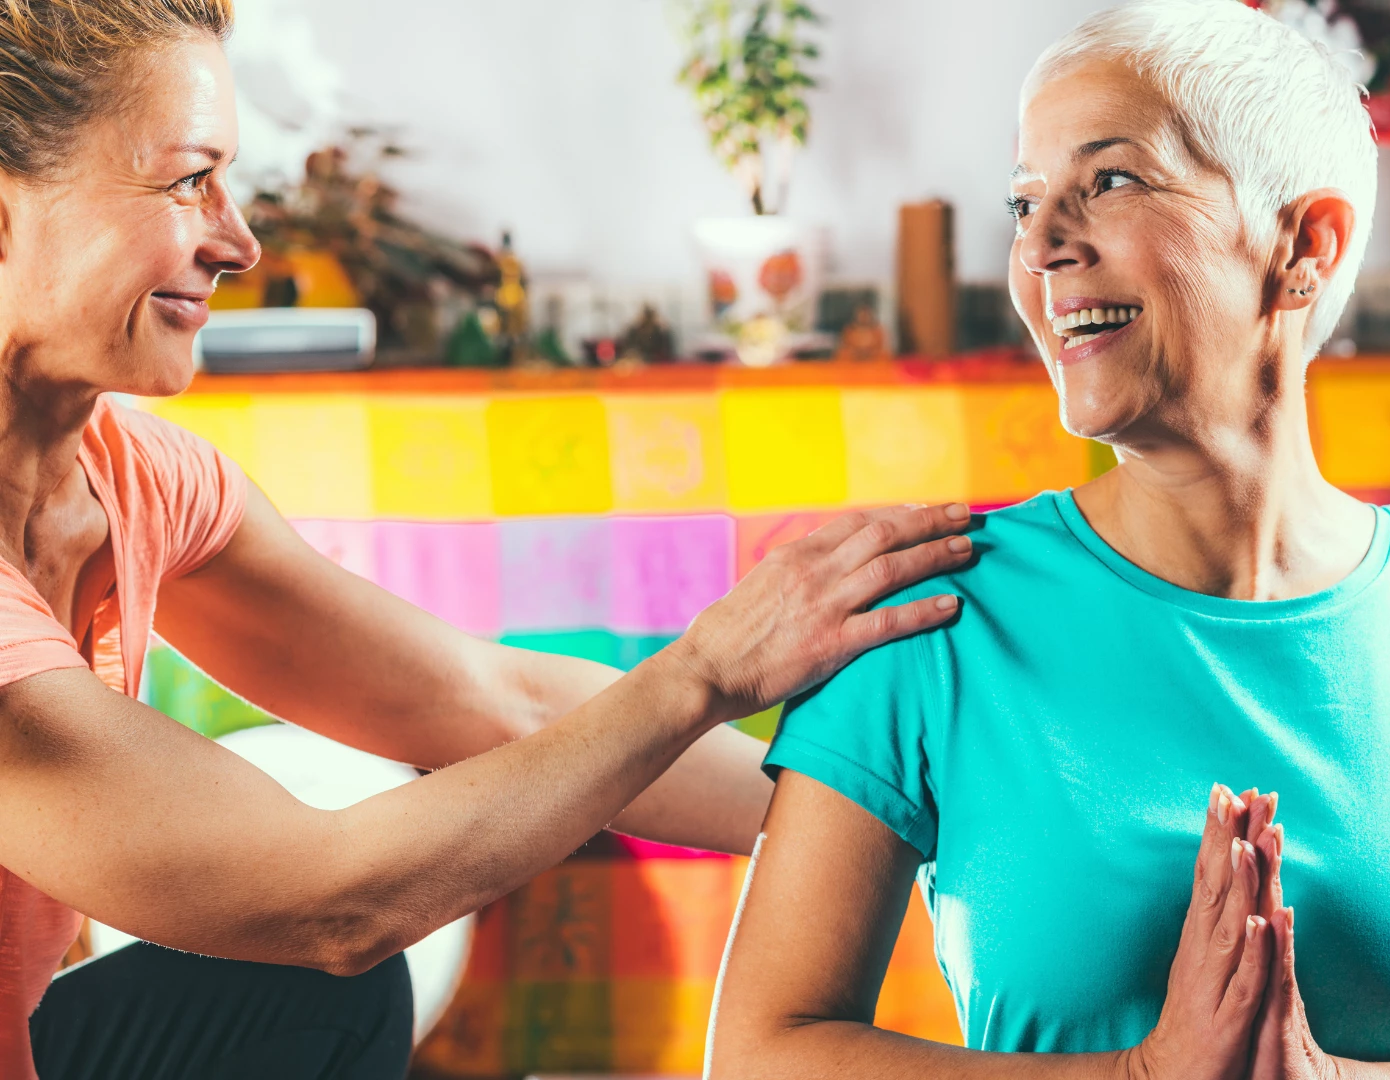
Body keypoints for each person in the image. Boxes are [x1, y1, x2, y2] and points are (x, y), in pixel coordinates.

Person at [707, 3, 1390, 1078]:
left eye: (1112, 180)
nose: (1039, 247)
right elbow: (764, 1053)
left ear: (1304, 245)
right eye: (1026, 200)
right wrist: (1139, 1077)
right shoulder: (929, 614)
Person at [0, 3, 974, 1078]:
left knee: (318, 1006)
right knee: (332, 952)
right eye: (188, 181)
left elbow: (491, 704)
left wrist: (907, 818)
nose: (238, 243)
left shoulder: (141, 483)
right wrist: (700, 670)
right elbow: (327, 899)